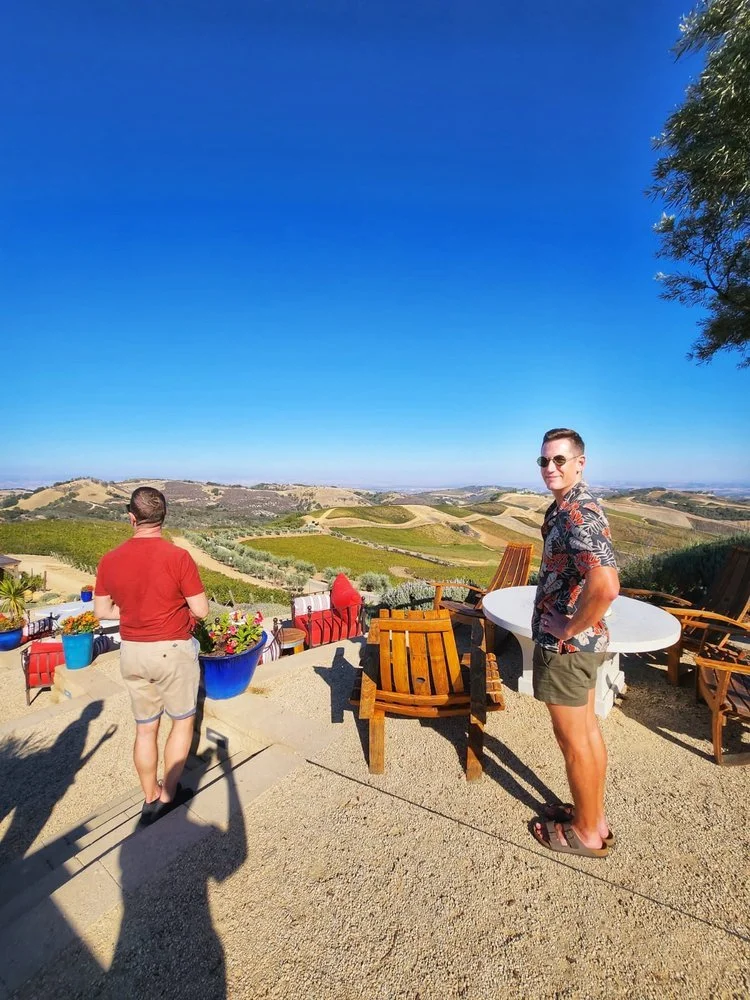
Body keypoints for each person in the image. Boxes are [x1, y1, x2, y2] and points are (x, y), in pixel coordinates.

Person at [94, 487, 209, 826]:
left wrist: (133, 613)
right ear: (164, 518)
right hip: (172, 650)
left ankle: (149, 798)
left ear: (132, 517)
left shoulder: (109, 560)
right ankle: (169, 797)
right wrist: (183, 618)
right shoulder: (178, 557)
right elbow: (200, 609)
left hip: (132, 652)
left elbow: (102, 611)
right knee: (182, 722)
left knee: (145, 729)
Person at [530, 428, 620, 858]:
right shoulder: (571, 507)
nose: (550, 468)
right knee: (586, 733)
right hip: (584, 646)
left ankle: (585, 834)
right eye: (544, 461)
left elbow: (605, 585)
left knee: (573, 742)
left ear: (580, 463)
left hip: (567, 649)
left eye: (559, 460)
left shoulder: (575, 514)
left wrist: (567, 628)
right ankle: (593, 817)